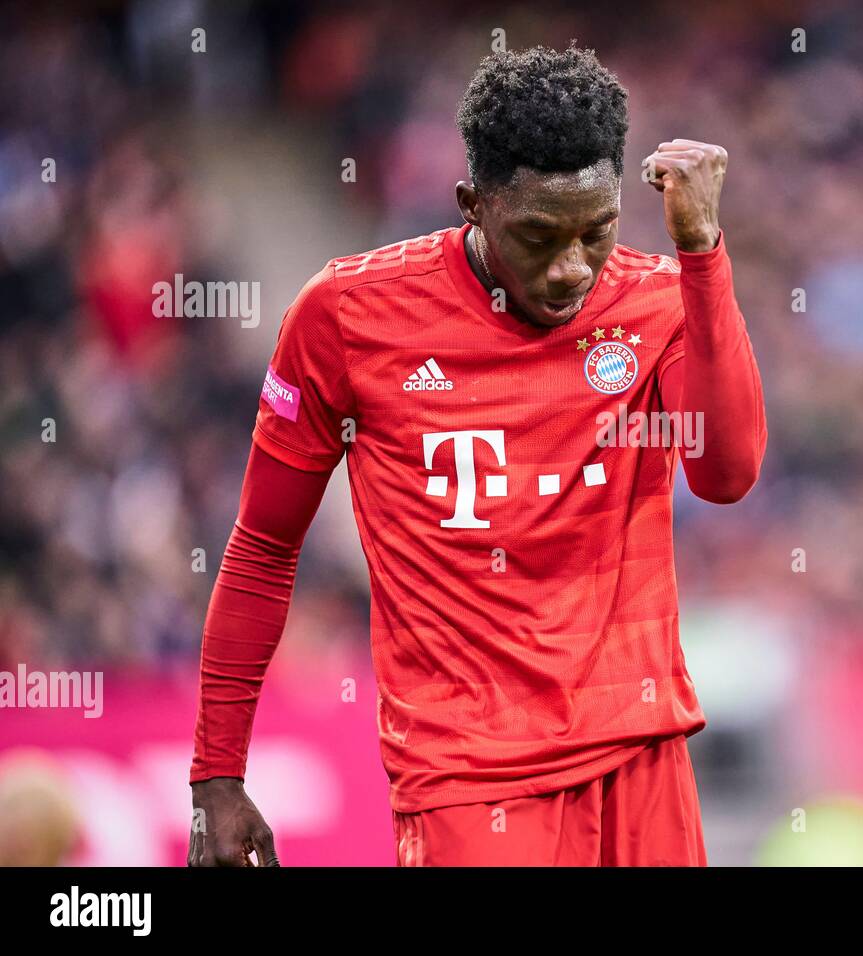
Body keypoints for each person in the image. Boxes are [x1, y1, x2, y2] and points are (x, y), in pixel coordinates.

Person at [188, 43, 766, 867]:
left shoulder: (657, 302)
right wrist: (217, 773)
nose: (571, 268)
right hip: (470, 778)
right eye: (538, 236)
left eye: (596, 232)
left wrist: (703, 256)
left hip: (642, 751)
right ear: (473, 203)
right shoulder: (348, 317)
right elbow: (263, 547)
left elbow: (728, 475)